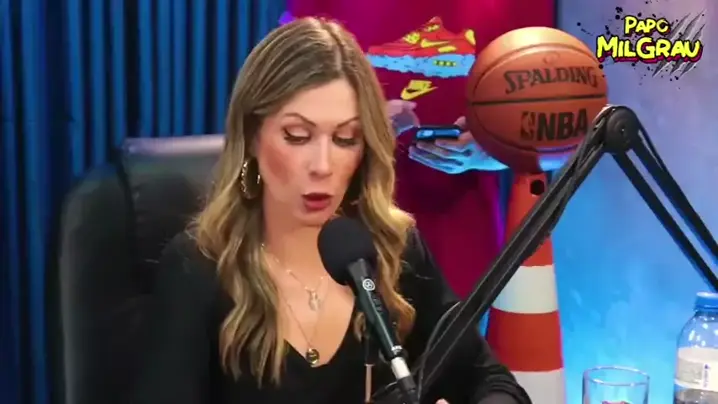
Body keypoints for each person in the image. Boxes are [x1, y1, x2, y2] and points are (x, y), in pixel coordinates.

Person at [132, 18, 529, 404]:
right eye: (297, 136)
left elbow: (492, 381)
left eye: (345, 139)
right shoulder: (199, 266)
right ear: (252, 136)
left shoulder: (393, 248)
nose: (322, 165)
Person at [287, 0, 555, 299]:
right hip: (341, 230)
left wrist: (495, 150)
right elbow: (278, 109)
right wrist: (360, 124)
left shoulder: (520, 7)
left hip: (460, 236)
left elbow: (564, 132)